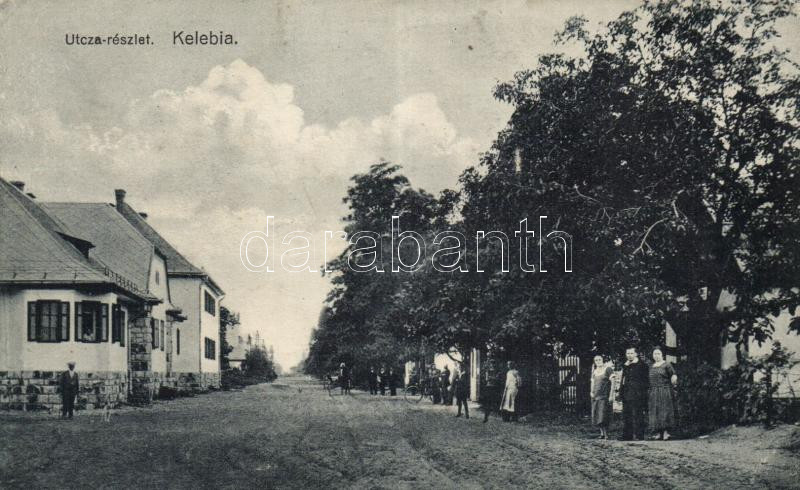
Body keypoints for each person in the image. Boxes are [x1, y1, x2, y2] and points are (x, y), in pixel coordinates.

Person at [619, 347, 649, 441]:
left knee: (638, 415)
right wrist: (621, 392)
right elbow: (623, 380)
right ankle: (627, 436)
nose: (629, 355)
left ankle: (639, 435)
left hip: (638, 394)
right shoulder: (626, 365)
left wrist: (642, 393)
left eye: (631, 353)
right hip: (627, 393)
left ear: (636, 354)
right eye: (628, 353)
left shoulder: (642, 365)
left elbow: (645, 381)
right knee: (627, 414)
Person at [648, 347, 678, 440]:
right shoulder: (651, 366)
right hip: (654, 391)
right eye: (655, 354)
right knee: (655, 411)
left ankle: (666, 432)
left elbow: (673, 375)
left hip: (664, 390)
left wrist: (674, 380)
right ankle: (658, 433)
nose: (656, 356)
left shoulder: (666, 365)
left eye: (658, 354)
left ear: (662, 355)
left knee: (664, 411)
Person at [590, 355, 614, 439]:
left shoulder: (608, 369)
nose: (598, 361)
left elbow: (613, 382)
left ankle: (606, 434)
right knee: (597, 415)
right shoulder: (594, 371)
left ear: (603, 360)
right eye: (596, 360)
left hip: (604, 396)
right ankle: (601, 434)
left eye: (599, 359)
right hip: (596, 396)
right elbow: (592, 383)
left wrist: (611, 395)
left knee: (603, 415)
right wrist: (591, 392)